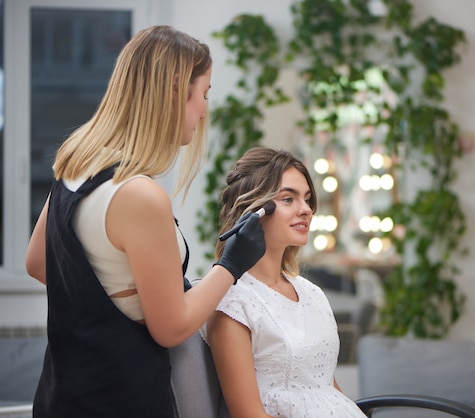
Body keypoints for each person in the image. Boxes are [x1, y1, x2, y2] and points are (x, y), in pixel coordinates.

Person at [24, 25, 265, 418]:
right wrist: (232, 264)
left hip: (61, 396)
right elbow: (170, 328)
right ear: (174, 90)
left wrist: (123, 291)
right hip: (120, 400)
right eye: (203, 94)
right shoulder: (139, 195)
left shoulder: (79, 162)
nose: (204, 110)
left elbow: (38, 263)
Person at [203, 147, 367, 418]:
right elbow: (249, 415)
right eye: (288, 199)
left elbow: (326, 390)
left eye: (307, 199)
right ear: (254, 212)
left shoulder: (311, 293)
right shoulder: (233, 303)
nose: (306, 210)